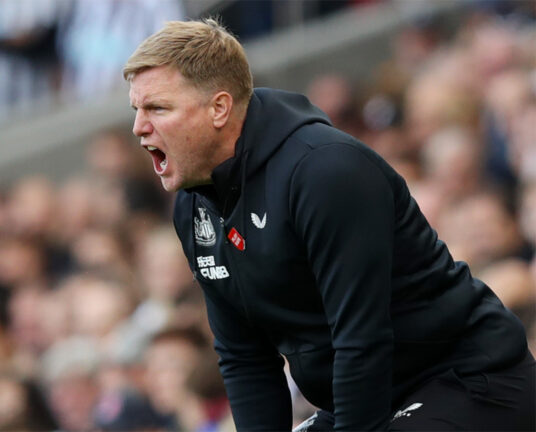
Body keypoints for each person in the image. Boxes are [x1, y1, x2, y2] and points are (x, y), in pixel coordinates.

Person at [123, 19, 535, 431]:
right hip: (365, 399)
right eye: (137, 110)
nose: (140, 127)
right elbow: (245, 356)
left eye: (158, 108)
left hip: (466, 380)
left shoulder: (324, 171)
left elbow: (362, 338)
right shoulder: (193, 206)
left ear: (219, 108)